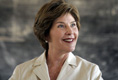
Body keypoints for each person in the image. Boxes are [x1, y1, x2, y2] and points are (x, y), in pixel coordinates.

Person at [9, 0, 103, 80]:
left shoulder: (91, 72)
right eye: (61, 26)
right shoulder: (21, 72)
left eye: (73, 25)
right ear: (45, 34)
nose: (70, 32)